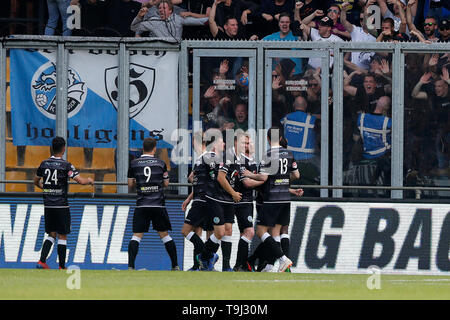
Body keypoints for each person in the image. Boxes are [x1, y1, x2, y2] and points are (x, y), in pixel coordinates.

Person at [242, 127, 300, 272]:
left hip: (272, 198)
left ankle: (283, 259)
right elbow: (296, 175)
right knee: (279, 231)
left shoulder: (268, 154)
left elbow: (263, 178)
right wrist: (285, 181)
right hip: (285, 198)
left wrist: (249, 174)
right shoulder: (289, 153)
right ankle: (270, 266)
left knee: (261, 231)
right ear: (281, 138)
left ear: (268, 139)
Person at [35, 136, 94, 269]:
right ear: (63, 148)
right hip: (61, 205)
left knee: (51, 233)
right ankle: (62, 266)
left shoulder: (44, 164)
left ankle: (42, 261)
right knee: (62, 235)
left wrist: (45, 188)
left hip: (48, 204)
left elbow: (35, 181)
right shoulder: (66, 165)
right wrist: (89, 180)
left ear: (52, 148)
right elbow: (80, 181)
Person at [127, 137, 180, 271]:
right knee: (165, 235)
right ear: (155, 148)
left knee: (136, 236)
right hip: (158, 205)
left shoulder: (134, 164)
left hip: (142, 204)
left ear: (142, 148)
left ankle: (131, 266)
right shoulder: (161, 163)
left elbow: (130, 184)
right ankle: (175, 266)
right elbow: (166, 183)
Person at [196, 129, 242, 271]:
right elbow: (220, 178)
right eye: (243, 143)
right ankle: (203, 256)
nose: (246, 145)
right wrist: (234, 193)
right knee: (220, 232)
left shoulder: (236, 157)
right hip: (216, 199)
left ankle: (226, 267)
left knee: (228, 231)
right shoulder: (227, 156)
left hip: (228, 200)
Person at [281, 96, 320, 195]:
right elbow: (324, 118)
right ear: (306, 106)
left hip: (290, 159)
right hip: (309, 161)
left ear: (294, 105)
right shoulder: (311, 119)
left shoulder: (286, 118)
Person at [130, 0, 208, 42]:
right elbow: (134, 28)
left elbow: (201, 21)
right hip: (159, 55)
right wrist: (139, 16)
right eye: (159, 8)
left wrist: (212, 21)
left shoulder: (178, 19)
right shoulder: (153, 21)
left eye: (164, 8)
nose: (161, 10)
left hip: (175, 54)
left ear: (170, 10)